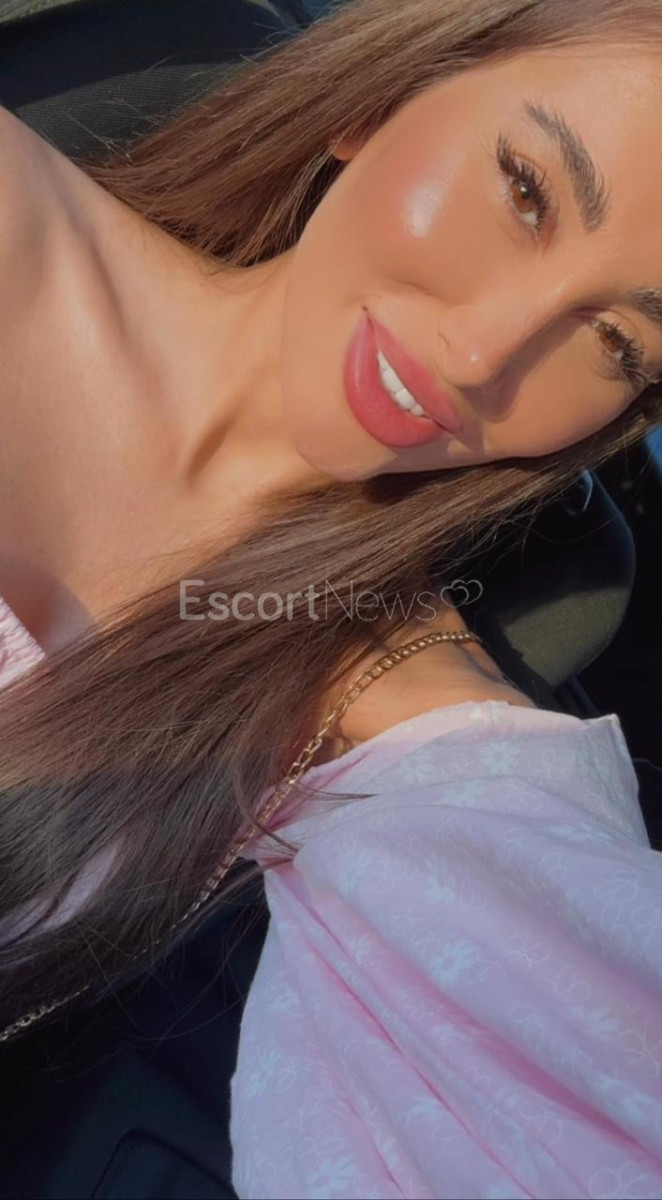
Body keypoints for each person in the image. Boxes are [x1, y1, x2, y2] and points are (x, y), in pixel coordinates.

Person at [1, 0, 662, 1193]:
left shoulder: (410, 728)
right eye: (523, 191)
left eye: (614, 342)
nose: (481, 356)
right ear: (378, 98)